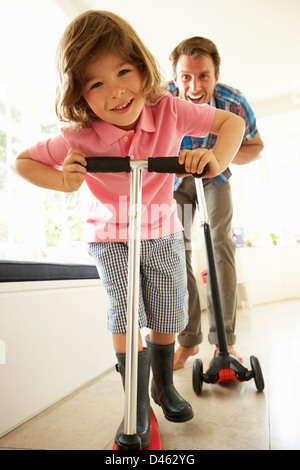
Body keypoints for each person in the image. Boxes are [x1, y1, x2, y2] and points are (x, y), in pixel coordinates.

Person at [12, 12, 245, 448]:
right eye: (96, 83)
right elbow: (23, 161)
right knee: (126, 309)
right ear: (80, 93)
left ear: (142, 67)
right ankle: (134, 403)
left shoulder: (170, 109)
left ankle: (162, 385)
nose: (116, 91)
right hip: (111, 235)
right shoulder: (79, 135)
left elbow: (230, 125)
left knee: (168, 307)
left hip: (161, 229)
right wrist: (63, 179)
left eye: (123, 72)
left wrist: (216, 157)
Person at [168, 37, 264, 370]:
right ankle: (188, 341)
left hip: (215, 178)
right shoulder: (161, 101)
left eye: (203, 76)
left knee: (220, 244)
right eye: (186, 77)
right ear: (175, 76)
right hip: (176, 182)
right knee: (177, 248)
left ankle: (225, 339)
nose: (194, 86)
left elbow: (256, 147)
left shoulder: (234, 103)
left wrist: (219, 156)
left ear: (216, 74)